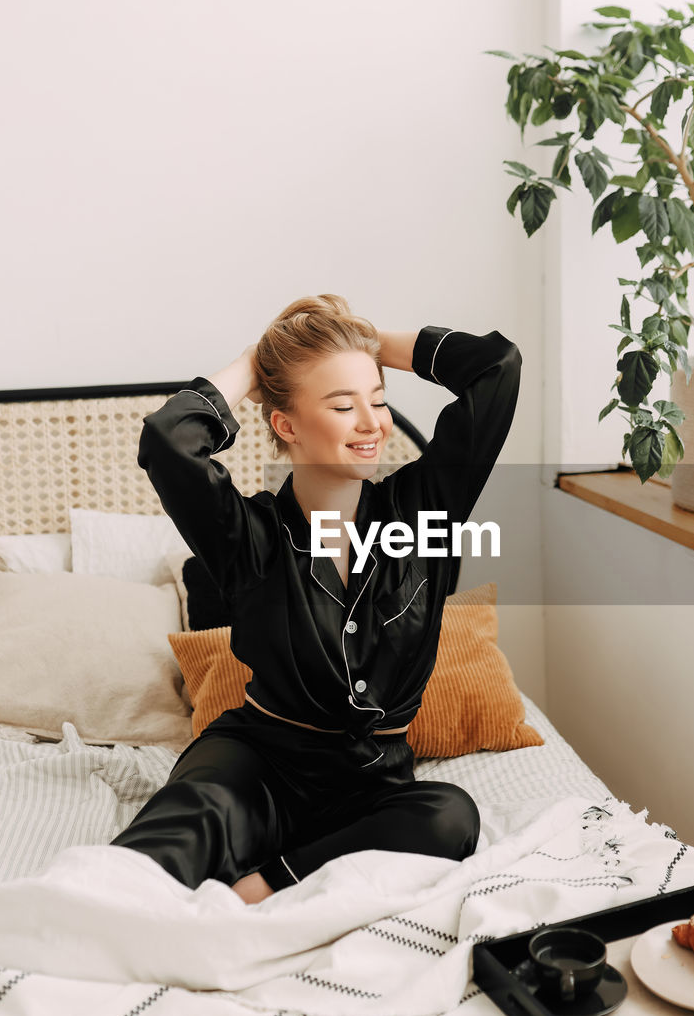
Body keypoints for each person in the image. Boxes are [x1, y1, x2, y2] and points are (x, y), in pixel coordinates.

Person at [110, 294, 522, 904]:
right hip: (255, 769)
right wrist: (258, 362)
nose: (372, 423)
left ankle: (269, 883)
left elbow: (497, 368)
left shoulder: (426, 510)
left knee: (450, 815)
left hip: (373, 784)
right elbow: (169, 440)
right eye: (341, 404)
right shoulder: (245, 536)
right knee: (170, 838)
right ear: (287, 424)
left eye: (378, 401)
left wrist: (361, 343)